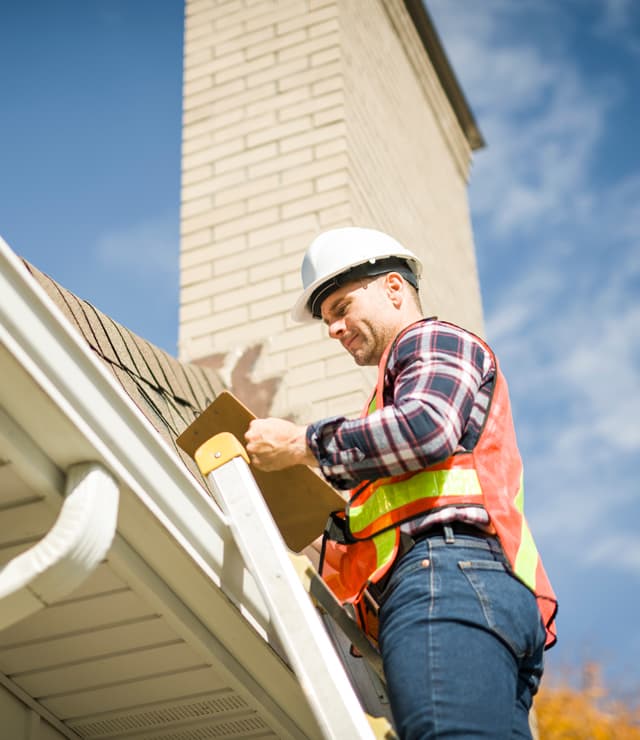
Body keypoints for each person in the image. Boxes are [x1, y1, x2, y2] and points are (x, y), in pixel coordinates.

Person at [245, 226, 557, 739]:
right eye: (327, 319)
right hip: (475, 590)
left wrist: (302, 444)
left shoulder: (431, 340)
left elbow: (427, 428)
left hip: (448, 579)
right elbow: (396, 507)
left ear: (394, 288)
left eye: (342, 307)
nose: (334, 329)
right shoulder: (385, 402)